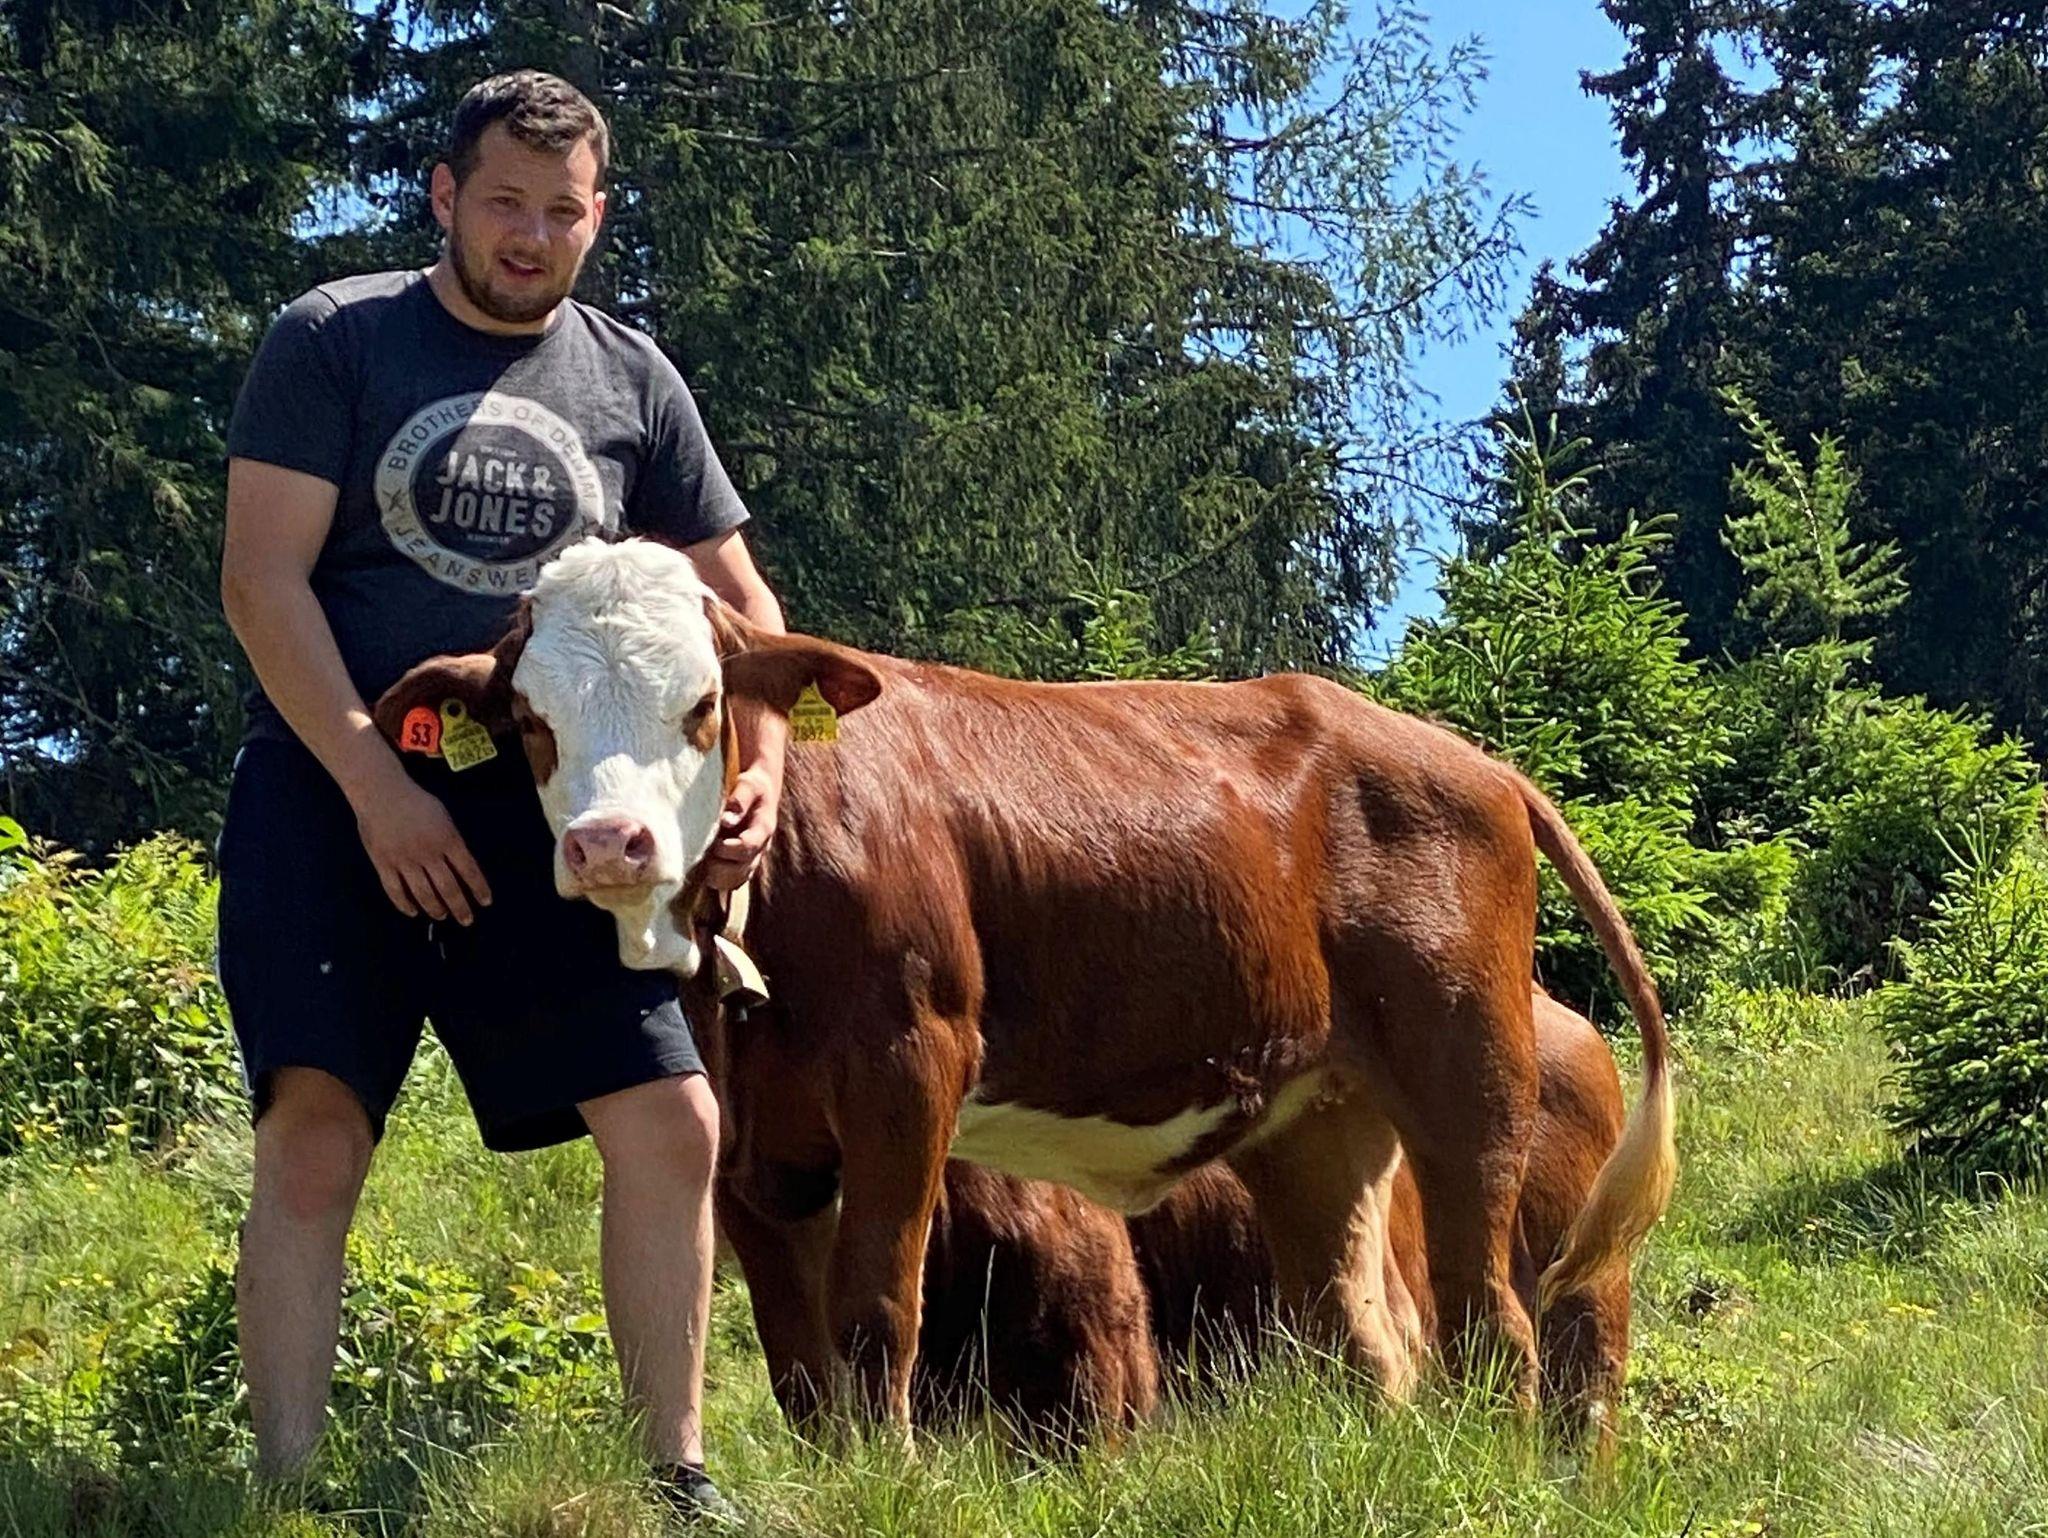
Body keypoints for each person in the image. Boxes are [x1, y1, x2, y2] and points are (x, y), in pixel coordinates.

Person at [217, 69, 778, 1524]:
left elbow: (742, 610)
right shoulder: (335, 339)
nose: (531, 236)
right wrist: (375, 788)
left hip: (553, 818)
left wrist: (759, 771)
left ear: (598, 217)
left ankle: (674, 1477)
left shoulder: (634, 380)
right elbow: (261, 582)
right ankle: (283, 1490)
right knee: (316, 1127)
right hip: (331, 795)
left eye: (561, 210)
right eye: (505, 203)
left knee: (674, 1121)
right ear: (444, 197)